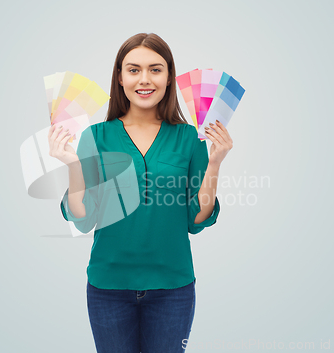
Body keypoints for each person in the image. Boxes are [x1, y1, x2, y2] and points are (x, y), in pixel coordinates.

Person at [48, 33, 233, 353]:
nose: (144, 79)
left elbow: (197, 218)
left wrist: (214, 163)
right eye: (133, 70)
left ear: (169, 76)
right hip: (108, 287)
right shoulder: (96, 136)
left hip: (173, 288)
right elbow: (83, 217)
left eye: (155, 69)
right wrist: (73, 166)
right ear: (119, 77)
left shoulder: (190, 138)